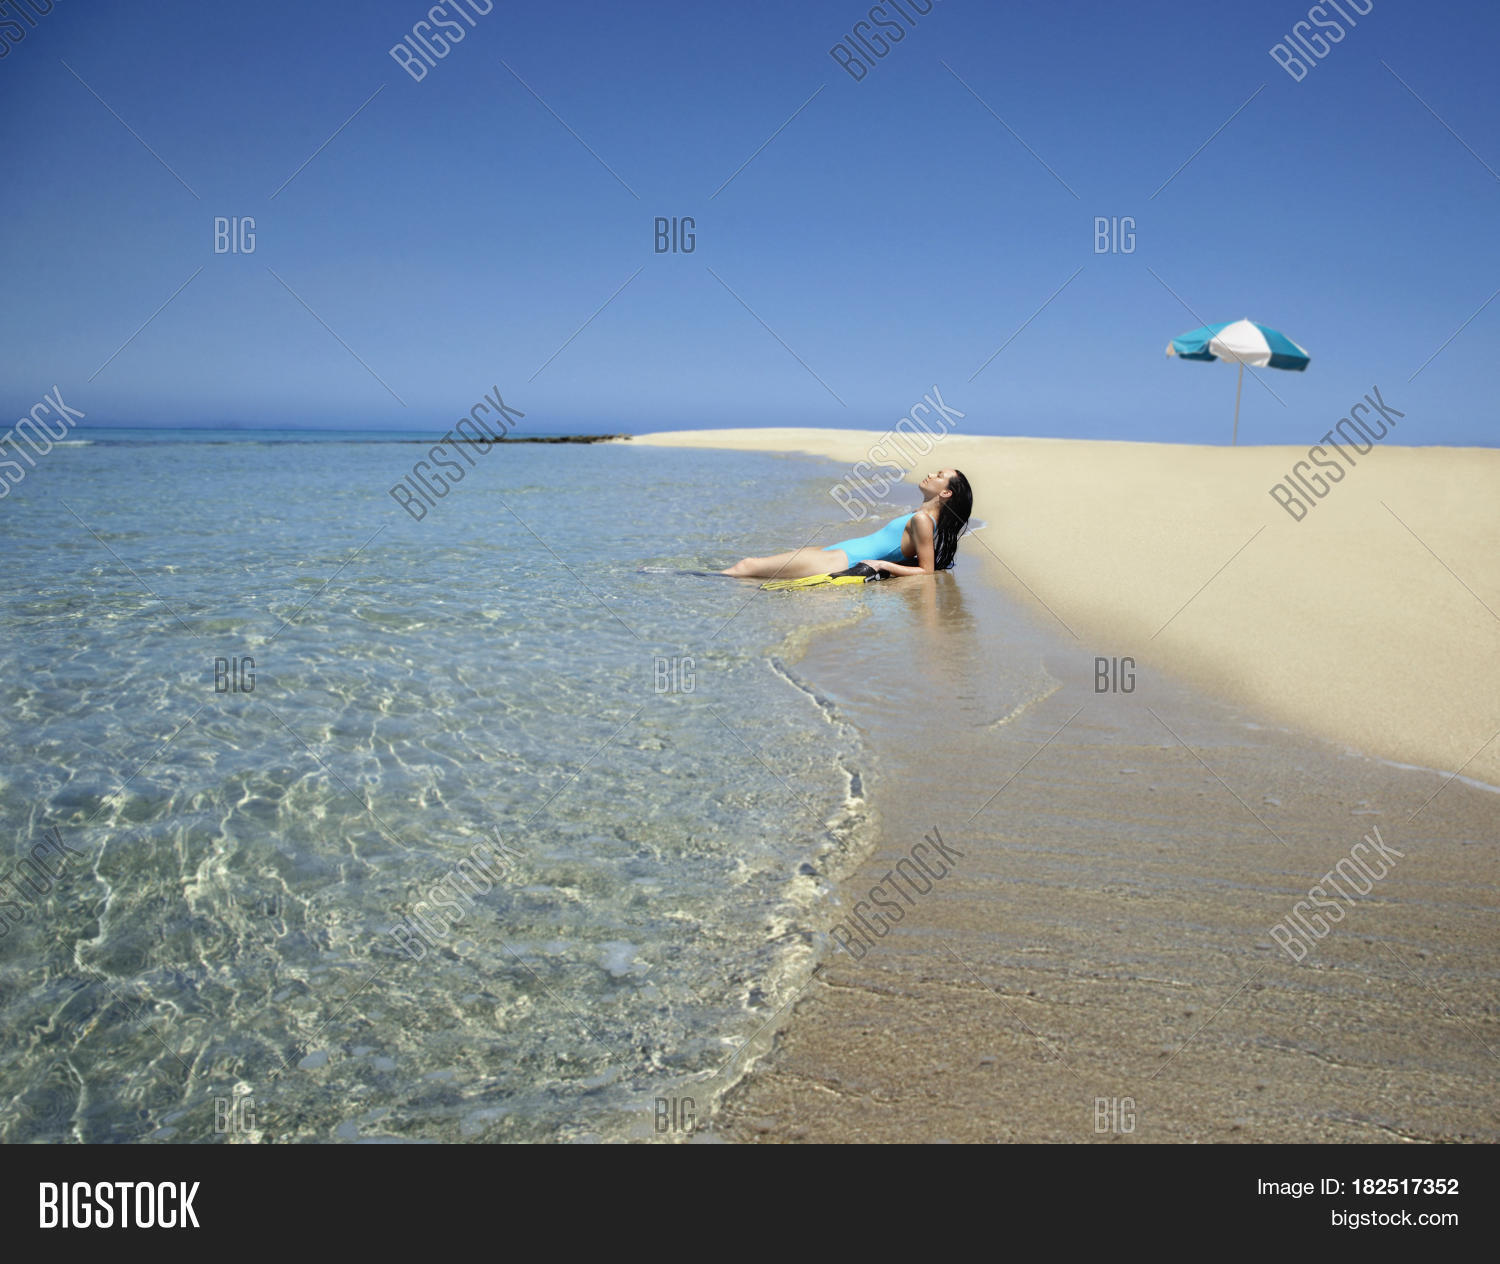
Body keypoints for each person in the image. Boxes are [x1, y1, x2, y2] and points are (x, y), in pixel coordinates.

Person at [723, 469, 973, 580]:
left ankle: (687, 584)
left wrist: (882, 565)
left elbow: (926, 571)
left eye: (939, 476)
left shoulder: (922, 520)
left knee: (747, 567)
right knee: (749, 575)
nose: (931, 474)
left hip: (839, 560)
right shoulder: (920, 517)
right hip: (833, 552)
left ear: (946, 493)